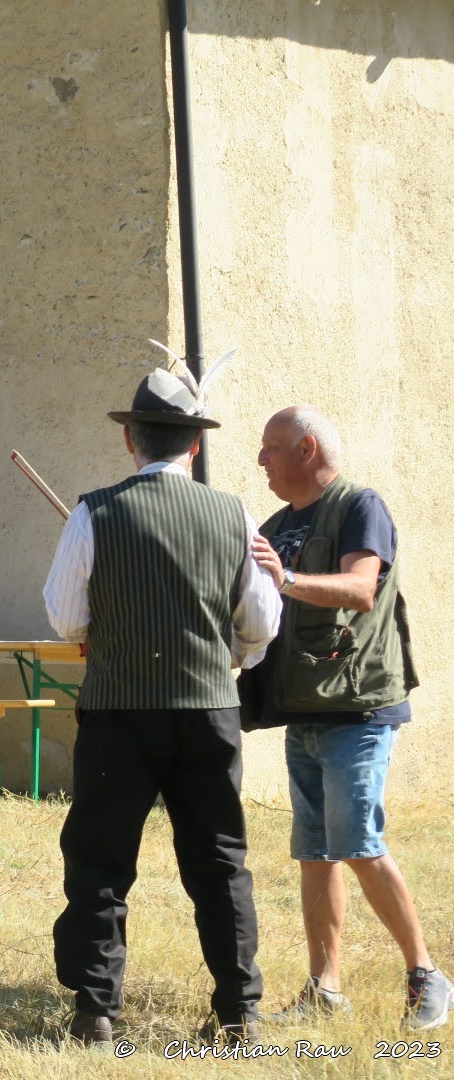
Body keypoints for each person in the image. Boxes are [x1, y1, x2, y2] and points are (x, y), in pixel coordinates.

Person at [42, 364, 282, 1047]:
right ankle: (240, 1013)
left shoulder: (96, 510)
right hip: (209, 711)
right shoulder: (233, 513)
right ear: (194, 445)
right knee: (220, 861)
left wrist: (103, 633)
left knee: (99, 858)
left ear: (131, 442)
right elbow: (261, 621)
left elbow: (64, 616)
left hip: (118, 712)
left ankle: (95, 1013)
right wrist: (229, 655)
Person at [246, 406, 448, 1030]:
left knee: (357, 842)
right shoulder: (277, 525)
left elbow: (362, 589)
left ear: (307, 449)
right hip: (303, 710)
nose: (261, 461)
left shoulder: (362, 506)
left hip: (357, 710)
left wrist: (287, 577)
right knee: (315, 852)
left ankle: (428, 976)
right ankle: (325, 988)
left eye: (272, 448)